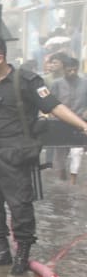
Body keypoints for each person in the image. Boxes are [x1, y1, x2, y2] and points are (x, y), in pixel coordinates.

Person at [0, 38, 87, 274]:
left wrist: (83, 126)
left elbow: (54, 106)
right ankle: (1, 252)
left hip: (15, 153)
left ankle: (22, 256)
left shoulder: (27, 81)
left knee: (20, 205)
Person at [47, 52, 87, 183]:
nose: (72, 72)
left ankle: (73, 182)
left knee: (77, 152)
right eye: (69, 70)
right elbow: (50, 102)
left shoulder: (85, 83)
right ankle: (61, 178)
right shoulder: (57, 84)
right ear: (64, 69)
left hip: (80, 122)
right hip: (60, 123)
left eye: (75, 70)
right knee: (60, 154)